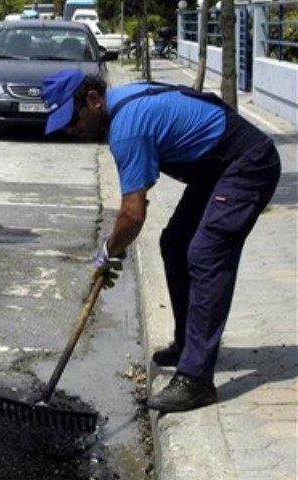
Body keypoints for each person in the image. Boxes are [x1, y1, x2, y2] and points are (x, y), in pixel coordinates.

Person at [41, 69, 281, 413]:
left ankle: (196, 380)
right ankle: (187, 345)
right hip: (215, 168)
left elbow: (132, 215)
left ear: (94, 100)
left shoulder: (127, 129)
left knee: (206, 253)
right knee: (175, 243)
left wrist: (108, 251)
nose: (69, 130)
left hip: (247, 164)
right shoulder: (124, 105)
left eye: (71, 120)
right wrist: (114, 249)